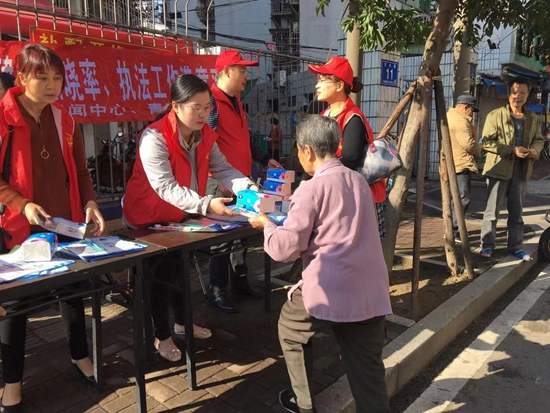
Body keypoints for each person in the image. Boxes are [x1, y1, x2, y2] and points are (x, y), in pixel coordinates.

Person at [249, 115, 392, 413]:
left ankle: (304, 404)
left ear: (307, 151)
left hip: (330, 287)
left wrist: (266, 224)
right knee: (368, 373)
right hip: (371, 290)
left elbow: (284, 249)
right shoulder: (359, 180)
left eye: (298, 150)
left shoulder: (310, 189)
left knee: (291, 327)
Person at [0, 44, 105, 412]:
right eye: (42, 77)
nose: (51, 86)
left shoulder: (66, 119)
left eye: (57, 78)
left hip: (65, 223)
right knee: (17, 305)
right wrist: (22, 204)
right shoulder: (3, 117)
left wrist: (90, 202)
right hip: (20, 228)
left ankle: (81, 357)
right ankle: (11, 384)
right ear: (22, 77)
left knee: (73, 290)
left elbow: (79, 171)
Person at [122, 74, 257, 361]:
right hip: (146, 219)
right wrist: (208, 204)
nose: (202, 113)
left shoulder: (205, 136)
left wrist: (250, 188)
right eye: (195, 107)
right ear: (176, 106)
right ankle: (161, 336)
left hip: (179, 216)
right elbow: (164, 187)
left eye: (207, 107)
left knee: (180, 271)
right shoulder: (154, 137)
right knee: (158, 278)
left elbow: (223, 169)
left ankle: (183, 323)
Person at [206, 49, 282, 313]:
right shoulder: (212, 103)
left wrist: (264, 159)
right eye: (243, 70)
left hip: (242, 181)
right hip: (221, 183)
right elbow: (206, 145)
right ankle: (218, 290)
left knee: (241, 235)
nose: (246, 77)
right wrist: (216, 177)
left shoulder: (236, 101)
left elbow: (245, 138)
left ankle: (239, 282)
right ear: (227, 72)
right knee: (222, 239)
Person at [308, 56, 387, 238]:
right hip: (335, 191)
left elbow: (351, 159)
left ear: (339, 85)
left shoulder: (353, 117)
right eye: (317, 80)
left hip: (356, 196)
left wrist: (318, 179)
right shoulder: (323, 115)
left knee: (359, 251)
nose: (317, 86)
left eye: (323, 80)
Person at [479, 77, 544, 261]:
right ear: (508, 94)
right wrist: (511, 150)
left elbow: (539, 139)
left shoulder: (532, 117)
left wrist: (534, 150)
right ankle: (486, 246)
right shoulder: (495, 115)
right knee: (492, 212)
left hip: (522, 170)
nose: (518, 96)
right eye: (515, 92)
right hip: (498, 169)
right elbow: (487, 142)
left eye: (522, 93)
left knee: (517, 212)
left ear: (528, 95)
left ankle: (515, 247)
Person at [446, 94, 482, 241]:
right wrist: (480, 149)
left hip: (450, 163)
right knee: (463, 198)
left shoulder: (449, 116)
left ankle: (451, 229)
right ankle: (455, 230)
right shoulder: (461, 121)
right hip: (461, 164)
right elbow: (468, 143)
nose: (472, 113)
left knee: (453, 198)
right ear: (466, 107)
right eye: (472, 110)